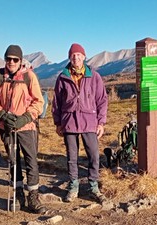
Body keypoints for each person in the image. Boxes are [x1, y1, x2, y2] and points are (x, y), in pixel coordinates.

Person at [0, 44, 47, 213]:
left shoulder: (29, 76)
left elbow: (38, 102)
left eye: (15, 59)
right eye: (8, 59)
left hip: (27, 126)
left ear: (20, 61)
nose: (11, 62)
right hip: (6, 127)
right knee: (13, 162)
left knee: (31, 161)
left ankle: (33, 197)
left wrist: (25, 118)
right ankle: (18, 194)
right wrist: (2, 114)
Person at [52, 43, 108, 203]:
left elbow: (102, 100)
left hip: (89, 122)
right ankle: (73, 186)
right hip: (69, 121)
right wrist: (58, 123)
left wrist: (101, 122)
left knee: (94, 155)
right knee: (72, 157)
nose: (76, 58)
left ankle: (93, 186)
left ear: (84, 57)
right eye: (73, 55)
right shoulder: (62, 77)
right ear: (69, 57)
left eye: (79, 55)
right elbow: (57, 102)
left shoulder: (94, 76)